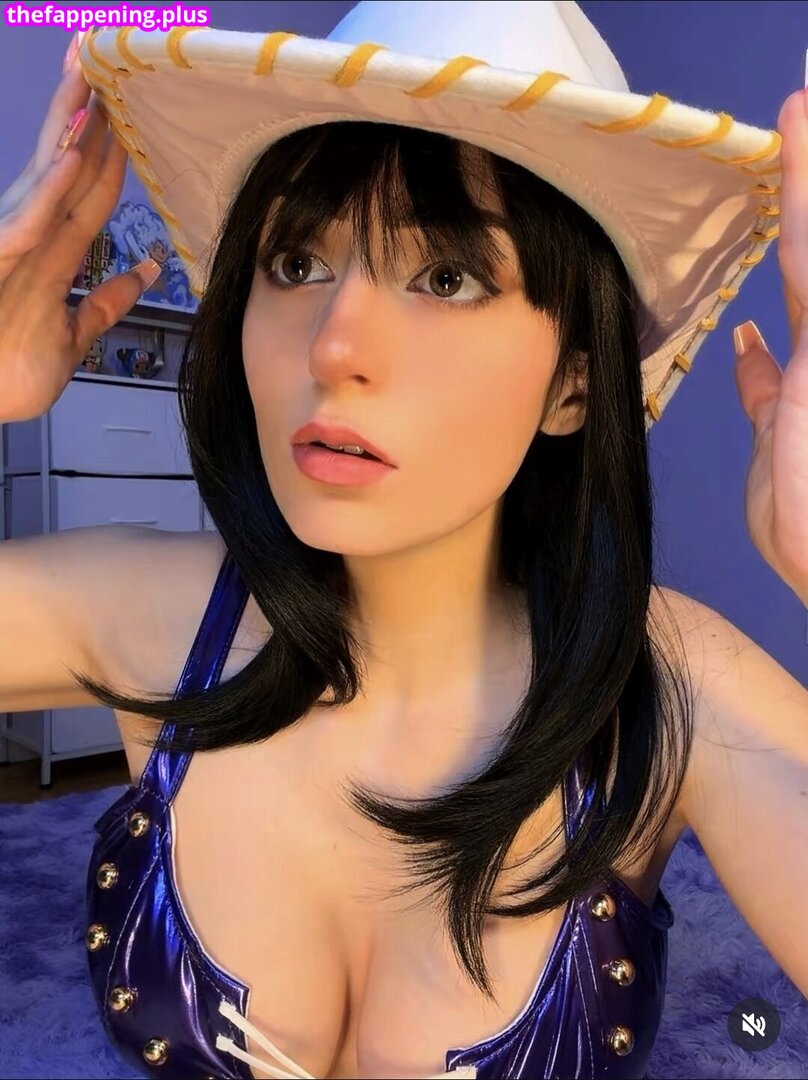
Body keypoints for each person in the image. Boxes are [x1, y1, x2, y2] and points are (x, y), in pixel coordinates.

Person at [0, 3, 806, 1079]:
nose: (334, 347)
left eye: (446, 278)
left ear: (573, 383)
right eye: (296, 262)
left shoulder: (672, 686)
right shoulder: (143, 613)